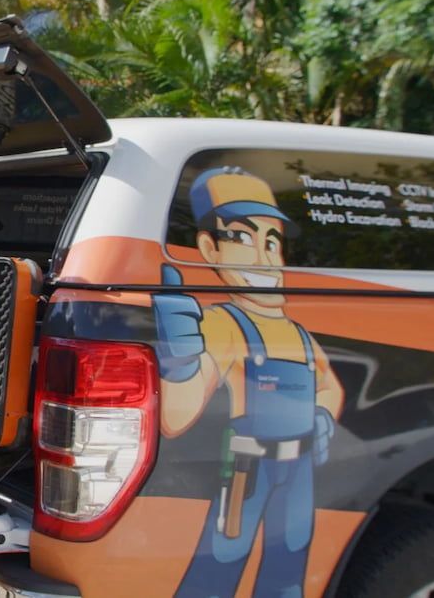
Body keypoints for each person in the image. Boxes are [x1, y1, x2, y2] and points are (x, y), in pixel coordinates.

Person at [153, 167, 343, 598]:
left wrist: (323, 415)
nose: (262, 256)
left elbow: (329, 384)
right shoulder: (223, 324)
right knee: (220, 562)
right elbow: (177, 416)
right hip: (247, 469)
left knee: (289, 567)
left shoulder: (298, 332)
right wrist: (180, 363)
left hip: (299, 470)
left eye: (272, 241)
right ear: (209, 248)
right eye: (241, 238)